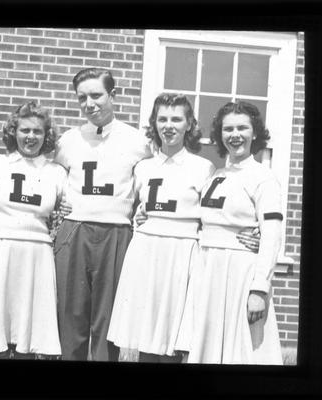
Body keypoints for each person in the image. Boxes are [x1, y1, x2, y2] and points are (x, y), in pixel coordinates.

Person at [107, 93, 214, 363]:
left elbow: (212, 216)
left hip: (182, 250)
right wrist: (136, 218)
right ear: (154, 123)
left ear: (189, 124)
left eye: (177, 119)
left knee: (172, 335)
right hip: (145, 249)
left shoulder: (203, 167)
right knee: (146, 331)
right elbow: (130, 206)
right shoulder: (143, 167)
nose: (169, 126)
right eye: (162, 119)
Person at [53, 68, 152, 361]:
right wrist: (58, 204)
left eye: (96, 95)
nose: (90, 104)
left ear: (113, 95)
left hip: (116, 232)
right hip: (74, 230)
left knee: (108, 320)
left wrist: (145, 213)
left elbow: (152, 182)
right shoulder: (68, 140)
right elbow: (52, 182)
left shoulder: (138, 141)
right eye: (82, 97)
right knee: (70, 317)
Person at [186, 101, 283, 364]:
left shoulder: (263, 177)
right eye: (228, 129)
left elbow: (272, 235)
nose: (235, 135)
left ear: (255, 133)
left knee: (242, 352)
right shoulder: (216, 174)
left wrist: (259, 289)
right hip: (208, 268)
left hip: (241, 271)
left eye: (242, 127)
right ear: (220, 135)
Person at [0, 101, 67, 360]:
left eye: (38, 131)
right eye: (25, 130)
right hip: (0, 247)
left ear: (46, 135)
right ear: (13, 132)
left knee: (27, 337)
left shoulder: (56, 172)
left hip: (36, 252)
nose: (31, 137)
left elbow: (64, 209)